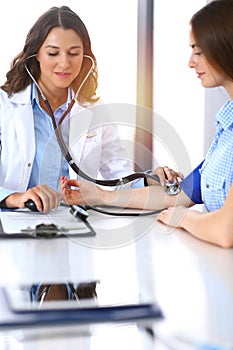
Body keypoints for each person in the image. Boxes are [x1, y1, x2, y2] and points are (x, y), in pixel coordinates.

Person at [61, 0, 233, 248]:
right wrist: (99, 195)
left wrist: (183, 218)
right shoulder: (226, 127)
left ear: (224, 46)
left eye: (198, 51)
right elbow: (178, 195)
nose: (190, 62)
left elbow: (225, 230)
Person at [0, 6, 178, 213]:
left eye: (74, 53)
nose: (64, 63)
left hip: (75, 224)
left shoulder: (95, 111)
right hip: (15, 223)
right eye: (53, 53)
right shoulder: (5, 106)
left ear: (85, 56)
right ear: (36, 55)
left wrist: (148, 180)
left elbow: (117, 178)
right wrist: (14, 198)